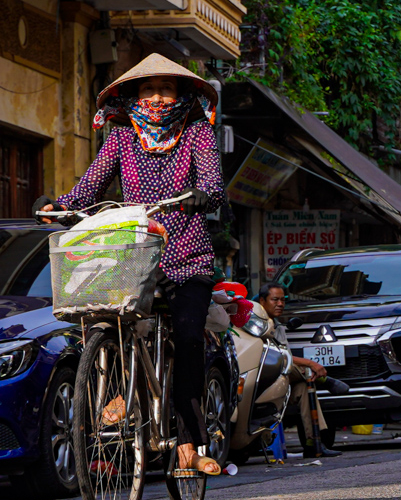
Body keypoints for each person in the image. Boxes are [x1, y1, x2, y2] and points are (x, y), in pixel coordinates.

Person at [41, 53, 225, 478]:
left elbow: (213, 184)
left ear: (181, 95)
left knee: (189, 338)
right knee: (105, 317)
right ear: (133, 97)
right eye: (147, 89)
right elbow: (89, 186)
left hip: (186, 257)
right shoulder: (122, 139)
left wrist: (203, 194)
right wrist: (59, 206)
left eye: (166, 89)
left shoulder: (197, 132)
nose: (157, 97)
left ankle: (189, 446)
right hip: (135, 252)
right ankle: (122, 390)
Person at [260, 283, 341, 458]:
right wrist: (310, 363)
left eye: (282, 300)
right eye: (275, 299)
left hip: (282, 383)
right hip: (264, 382)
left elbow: (286, 357)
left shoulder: (279, 326)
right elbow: (280, 357)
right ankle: (324, 380)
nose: (280, 304)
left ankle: (314, 443)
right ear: (262, 301)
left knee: (304, 388)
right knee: (307, 372)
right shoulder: (256, 325)